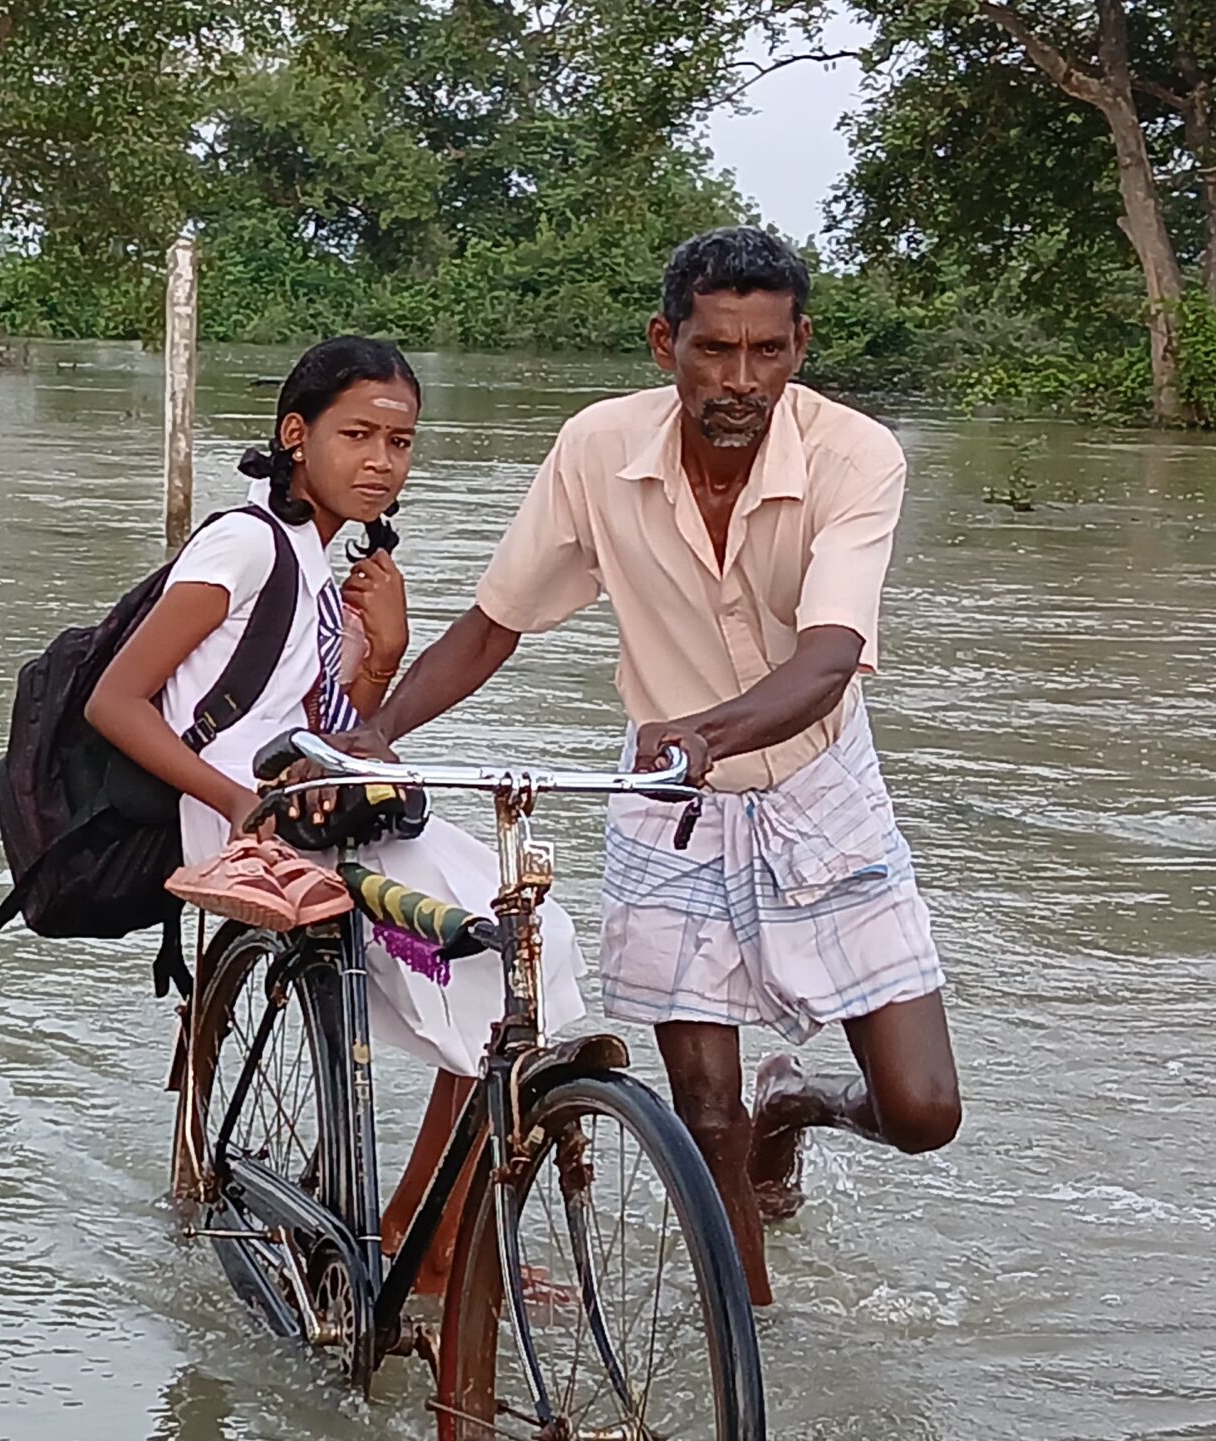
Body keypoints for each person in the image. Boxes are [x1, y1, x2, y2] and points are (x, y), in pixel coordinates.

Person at [336, 228, 962, 1306]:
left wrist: (714, 730)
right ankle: (749, 1346)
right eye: (713, 350)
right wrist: (379, 732)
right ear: (663, 342)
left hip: (817, 781)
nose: (739, 380)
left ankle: (797, 1104)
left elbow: (829, 657)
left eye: (767, 351)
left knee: (919, 1110)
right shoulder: (596, 449)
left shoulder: (855, 456)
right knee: (699, 1111)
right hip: (665, 801)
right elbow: (495, 623)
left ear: (800, 346)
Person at [84, 336, 583, 1293]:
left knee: (532, 942)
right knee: (520, 958)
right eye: (357, 435)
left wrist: (383, 654)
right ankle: (427, 1242)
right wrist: (236, 799)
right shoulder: (243, 543)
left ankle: (428, 1231)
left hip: (318, 812)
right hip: (247, 826)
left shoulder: (320, 568)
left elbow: (334, 736)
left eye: (400, 444)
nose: (381, 462)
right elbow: (117, 699)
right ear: (295, 434)